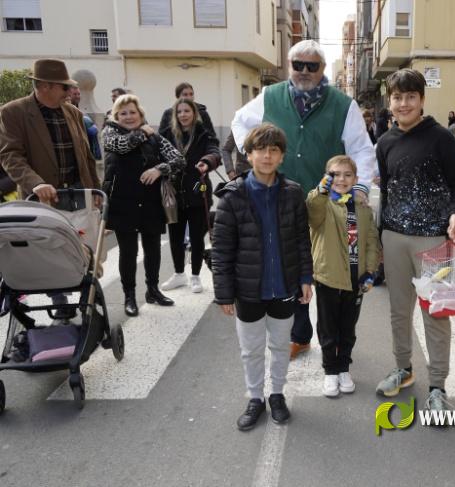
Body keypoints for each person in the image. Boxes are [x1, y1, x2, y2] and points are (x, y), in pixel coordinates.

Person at [231, 39, 377, 361]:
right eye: (298, 65)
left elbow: (362, 149)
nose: (305, 71)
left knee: (327, 270)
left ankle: (333, 338)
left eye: (312, 66)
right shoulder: (270, 96)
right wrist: (251, 151)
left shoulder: (343, 105)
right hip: (282, 197)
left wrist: (361, 187)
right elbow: (240, 122)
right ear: (289, 66)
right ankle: (299, 335)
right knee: (290, 265)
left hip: (328, 204)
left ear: (322, 69)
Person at [375, 69, 455, 412]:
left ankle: (438, 387)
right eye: (397, 97)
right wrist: (380, 239)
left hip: (432, 240)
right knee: (399, 311)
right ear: (390, 102)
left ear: (422, 100)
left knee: (435, 315)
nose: (403, 103)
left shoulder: (441, 138)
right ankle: (403, 369)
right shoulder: (385, 142)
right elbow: (386, 191)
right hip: (394, 238)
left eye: (410, 97)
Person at [212, 123, 313, 431]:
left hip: (284, 287)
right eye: (260, 150)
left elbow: (302, 239)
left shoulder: (292, 193)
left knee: (281, 347)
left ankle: (277, 395)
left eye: (273, 150)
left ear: (282, 156)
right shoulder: (232, 197)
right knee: (251, 349)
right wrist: (224, 293)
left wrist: (305, 277)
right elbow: (221, 250)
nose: (267, 156)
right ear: (248, 154)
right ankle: (255, 397)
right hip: (248, 290)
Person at [0, 59, 100, 323]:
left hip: (76, 191)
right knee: (48, 252)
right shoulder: (13, 112)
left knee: (82, 249)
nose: (70, 92)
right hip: (42, 196)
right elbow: (10, 156)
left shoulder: (73, 113)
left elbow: (86, 157)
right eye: (63, 87)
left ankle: (86, 298)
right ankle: (60, 302)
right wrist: (35, 183)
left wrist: (95, 192)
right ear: (44, 86)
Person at [102, 94, 184, 316]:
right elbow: (122, 145)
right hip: (123, 201)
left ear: (140, 114)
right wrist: (142, 133)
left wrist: (159, 169)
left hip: (150, 201)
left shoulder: (154, 136)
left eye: (133, 112)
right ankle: (129, 296)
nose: (128, 116)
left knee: (153, 249)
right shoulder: (109, 132)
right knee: (128, 252)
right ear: (116, 116)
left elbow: (179, 159)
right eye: (123, 113)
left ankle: (153, 290)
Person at [306, 155, 380, 397]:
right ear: (327, 177)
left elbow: (371, 241)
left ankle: (343, 368)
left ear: (356, 179)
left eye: (347, 175)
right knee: (328, 328)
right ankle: (330, 370)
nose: (341, 179)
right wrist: (320, 191)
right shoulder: (322, 204)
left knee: (348, 328)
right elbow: (313, 211)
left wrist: (370, 271)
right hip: (328, 277)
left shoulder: (362, 208)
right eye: (335, 174)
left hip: (356, 280)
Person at [159, 98, 221, 294]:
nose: (183, 115)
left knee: (196, 237)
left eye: (187, 111)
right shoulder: (167, 134)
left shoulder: (203, 133)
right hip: (174, 193)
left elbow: (214, 151)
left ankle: (195, 276)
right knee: (175, 237)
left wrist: (207, 161)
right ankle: (179, 274)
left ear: (194, 113)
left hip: (197, 191)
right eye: (179, 112)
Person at [68, 85, 102, 160]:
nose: (77, 96)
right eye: (75, 94)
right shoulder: (67, 112)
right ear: (68, 95)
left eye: (78, 94)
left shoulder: (81, 112)